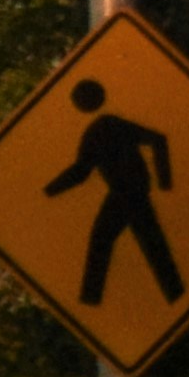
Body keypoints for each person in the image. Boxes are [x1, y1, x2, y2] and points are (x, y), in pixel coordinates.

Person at [45, 76, 180, 307]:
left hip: (127, 193)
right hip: (131, 191)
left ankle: (91, 299)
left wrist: (165, 181)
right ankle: (175, 293)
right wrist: (50, 191)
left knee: (105, 238)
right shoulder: (105, 127)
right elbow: (82, 171)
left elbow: (158, 139)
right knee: (149, 242)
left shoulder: (104, 127)